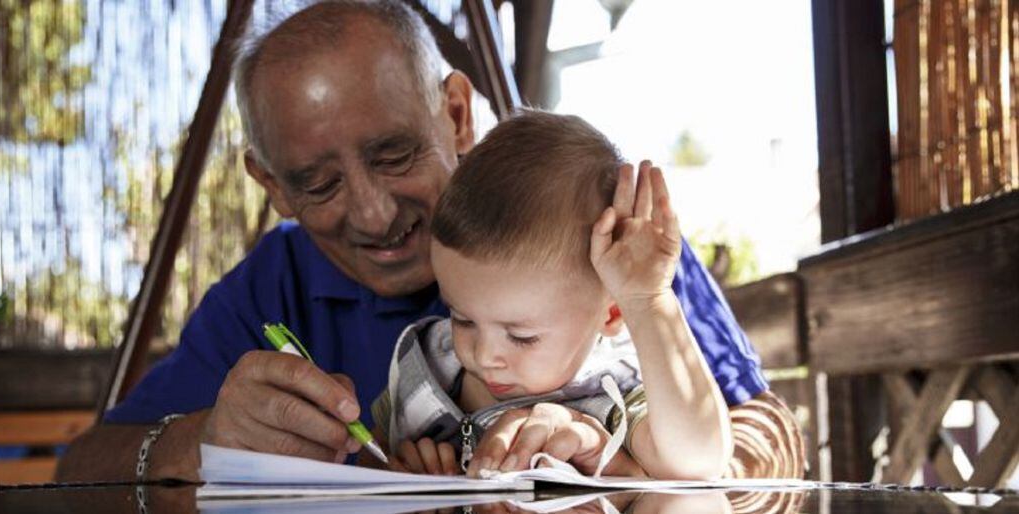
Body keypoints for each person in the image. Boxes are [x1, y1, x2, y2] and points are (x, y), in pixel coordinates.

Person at [56, 0, 792, 483]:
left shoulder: (599, 234)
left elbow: (772, 442)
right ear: (270, 184)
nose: (374, 215)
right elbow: (76, 475)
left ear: (457, 113)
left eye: (394, 155)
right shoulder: (269, 289)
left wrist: (628, 464)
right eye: (318, 184)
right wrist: (202, 441)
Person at [369, 111, 732, 479]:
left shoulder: (612, 384)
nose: (483, 354)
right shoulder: (427, 364)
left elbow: (699, 463)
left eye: (521, 336)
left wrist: (646, 300)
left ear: (609, 314)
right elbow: (369, 468)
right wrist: (400, 477)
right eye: (461, 318)